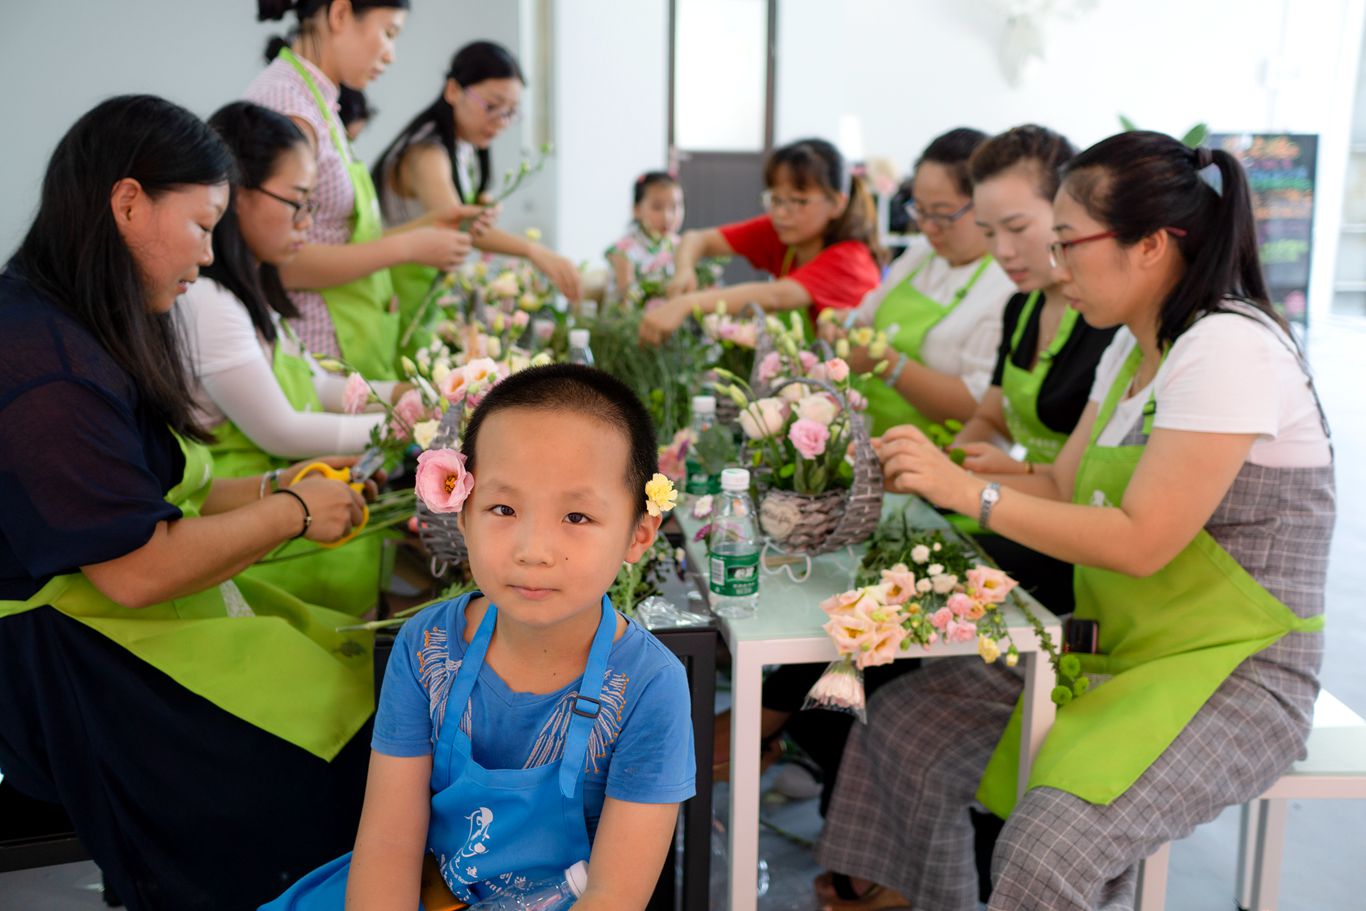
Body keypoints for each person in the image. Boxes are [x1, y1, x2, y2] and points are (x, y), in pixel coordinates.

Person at [814, 131, 1334, 911]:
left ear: (1152, 245)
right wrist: (954, 471)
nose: (1053, 267)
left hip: (1235, 671)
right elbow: (1062, 482)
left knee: (1049, 847)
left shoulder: (1228, 347)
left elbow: (1141, 541)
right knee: (907, 727)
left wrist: (970, 491)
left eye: (1065, 243)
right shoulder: (1134, 348)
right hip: (1121, 648)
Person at [0, 95, 381, 911]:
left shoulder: (89, 322)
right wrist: (292, 512)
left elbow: (175, 495)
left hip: (122, 618)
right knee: (325, 769)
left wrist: (288, 487)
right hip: (78, 661)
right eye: (203, 225)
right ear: (128, 201)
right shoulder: (43, 362)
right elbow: (137, 570)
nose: (209, 256)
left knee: (358, 690)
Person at [263, 364, 696, 910]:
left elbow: (613, 895)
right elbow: (390, 843)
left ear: (638, 535)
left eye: (577, 516)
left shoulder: (650, 686)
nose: (533, 549)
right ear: (462, 514)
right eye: (503, 508)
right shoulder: (425, 647)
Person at [177, 101, 399, 615]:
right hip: (247, 511)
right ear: (237, 194)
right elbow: (280, 431)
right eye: (298, 201)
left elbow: (319, 383)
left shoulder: (254, 290)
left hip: (290, 489)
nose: (307, 221)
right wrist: (398, 428)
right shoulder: (209, 302)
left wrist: (407, 399)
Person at [248, 0, 487, 379]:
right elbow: (281, 265)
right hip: (315, 346)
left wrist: (426, 226)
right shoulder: (290, 109)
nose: (391, 55)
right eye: (389, 33)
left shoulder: (318, 101)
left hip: (347, 334)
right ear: (340, 13)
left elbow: (337, 236)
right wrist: (408, 247)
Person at [947, 124, 1118, 614]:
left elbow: (1077, 487)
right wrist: (952, 460)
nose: (1001, 250)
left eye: (1017, 228)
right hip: (1025, 506)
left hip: (1076, 536)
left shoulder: (1111, 322)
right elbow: (992, 418)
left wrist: (958, 481)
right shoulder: (1020, 308)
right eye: (987, 233)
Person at [375, 39, 582, 348]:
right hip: (402, 290)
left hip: (427, 288)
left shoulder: (463, 147)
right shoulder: (427, 154)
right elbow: (456, 224)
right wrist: (534, 251)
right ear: (453, 91)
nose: (501, 121)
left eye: (511, 112)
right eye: (492, 106)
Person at [838, 128, 1016, 436]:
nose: (929, 227)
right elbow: (863, 317)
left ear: (985, 204)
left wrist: (892, 366)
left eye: (944, 215)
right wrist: (842, 325)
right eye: (920, 211)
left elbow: (982, 404)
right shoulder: (919, 256)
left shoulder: (1006, 285)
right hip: (872, 439)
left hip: (948, 457)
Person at [638, 138, 882, 345]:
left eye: (798, 201)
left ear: (837, 203)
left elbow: (776, 295)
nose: (781, 213)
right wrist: (684, 271)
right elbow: (696, 239)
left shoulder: (851, 260)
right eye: (776, 199)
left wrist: (686, 303)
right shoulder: (784, 232)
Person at [604, 171, 687, 304]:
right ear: (636, 210)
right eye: (657, 207)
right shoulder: (624, 251)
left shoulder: (681, 246)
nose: (668, 216)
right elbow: (627, 302)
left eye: (675, 206)